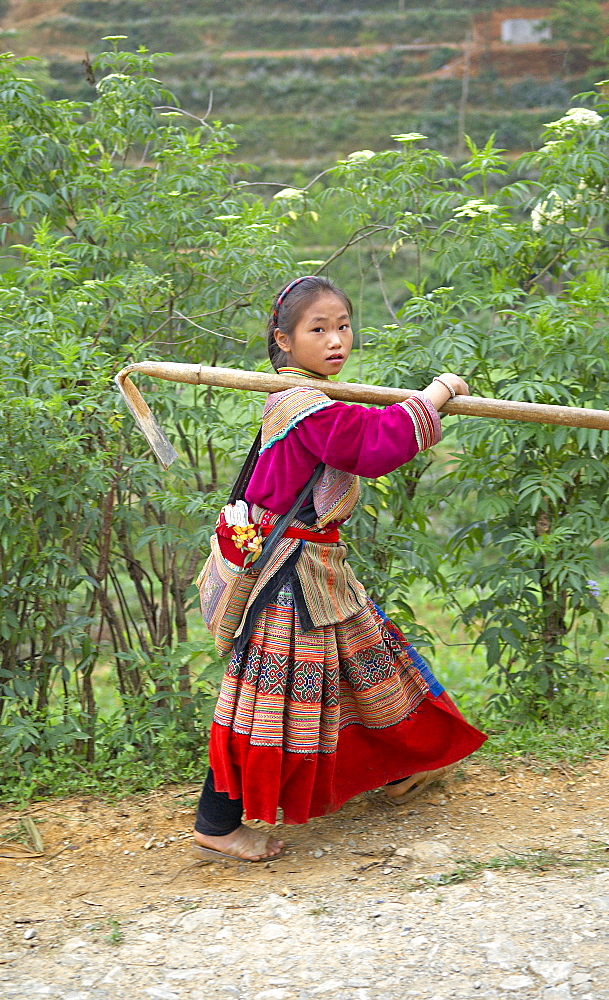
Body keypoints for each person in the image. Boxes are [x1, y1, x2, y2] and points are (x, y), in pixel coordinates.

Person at [193, 275, 486, 862]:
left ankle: (399, 767)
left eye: (343, 325)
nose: (336, 340)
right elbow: (373, 445)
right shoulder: (304, 407)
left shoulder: (307, 399)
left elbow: (358, 433)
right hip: (290, 580)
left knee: (369, 661)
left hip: (315, 565)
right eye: (318, 329)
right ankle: (217, 823)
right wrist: (437, 394)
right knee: (267, 699)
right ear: (284, 340)